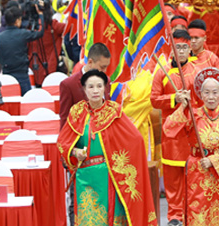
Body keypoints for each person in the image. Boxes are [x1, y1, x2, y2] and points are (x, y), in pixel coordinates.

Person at [57, 70, 157, 226]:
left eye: (99, 86)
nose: (95, 90)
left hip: (107, 174)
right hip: (84, 176)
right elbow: (63, 141)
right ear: (84, 90)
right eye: (90, 87)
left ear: (105, 88)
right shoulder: (76, 112)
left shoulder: (113, 111)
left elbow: (136, 139)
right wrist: (75, 151)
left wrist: (119, 162)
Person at [163, 68, 219, 225]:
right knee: (198, 214)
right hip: (198, 172)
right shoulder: (193, 114)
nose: (211, 97)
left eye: (215, 93)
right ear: (200, 94)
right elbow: (168, 129)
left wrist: (214, 160)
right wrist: (183, 107)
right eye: (206, 93)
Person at [150, 29, 199, 226]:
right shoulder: (161, 71)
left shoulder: (196, 71)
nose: (181, 51)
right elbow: (154, 100)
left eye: (184, 47)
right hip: (171, 132)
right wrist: (173, 98)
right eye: (177, 47)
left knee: (193, 174)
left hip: (193, 130)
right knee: (172, 177)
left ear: (190, 49)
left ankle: (193, 211)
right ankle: (175, 215)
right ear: (171, 48)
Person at [59, 43, 112, 128]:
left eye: (106, 67)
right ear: (90, 62)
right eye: (102, 67)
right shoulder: (69, 85)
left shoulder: (107, 81)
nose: (104, 71)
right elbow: (65, 120)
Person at [0, 5, 45, 94]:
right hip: (22, 75)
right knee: (25, 100)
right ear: (17, 21)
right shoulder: (23, 34)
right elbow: (40, 32)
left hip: (6, 75)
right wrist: (40, 14)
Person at [27, 0, 66, 86]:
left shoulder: (29, 27)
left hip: (33, 66)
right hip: (49, 66)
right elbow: (69, 27)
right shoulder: (53, 25)